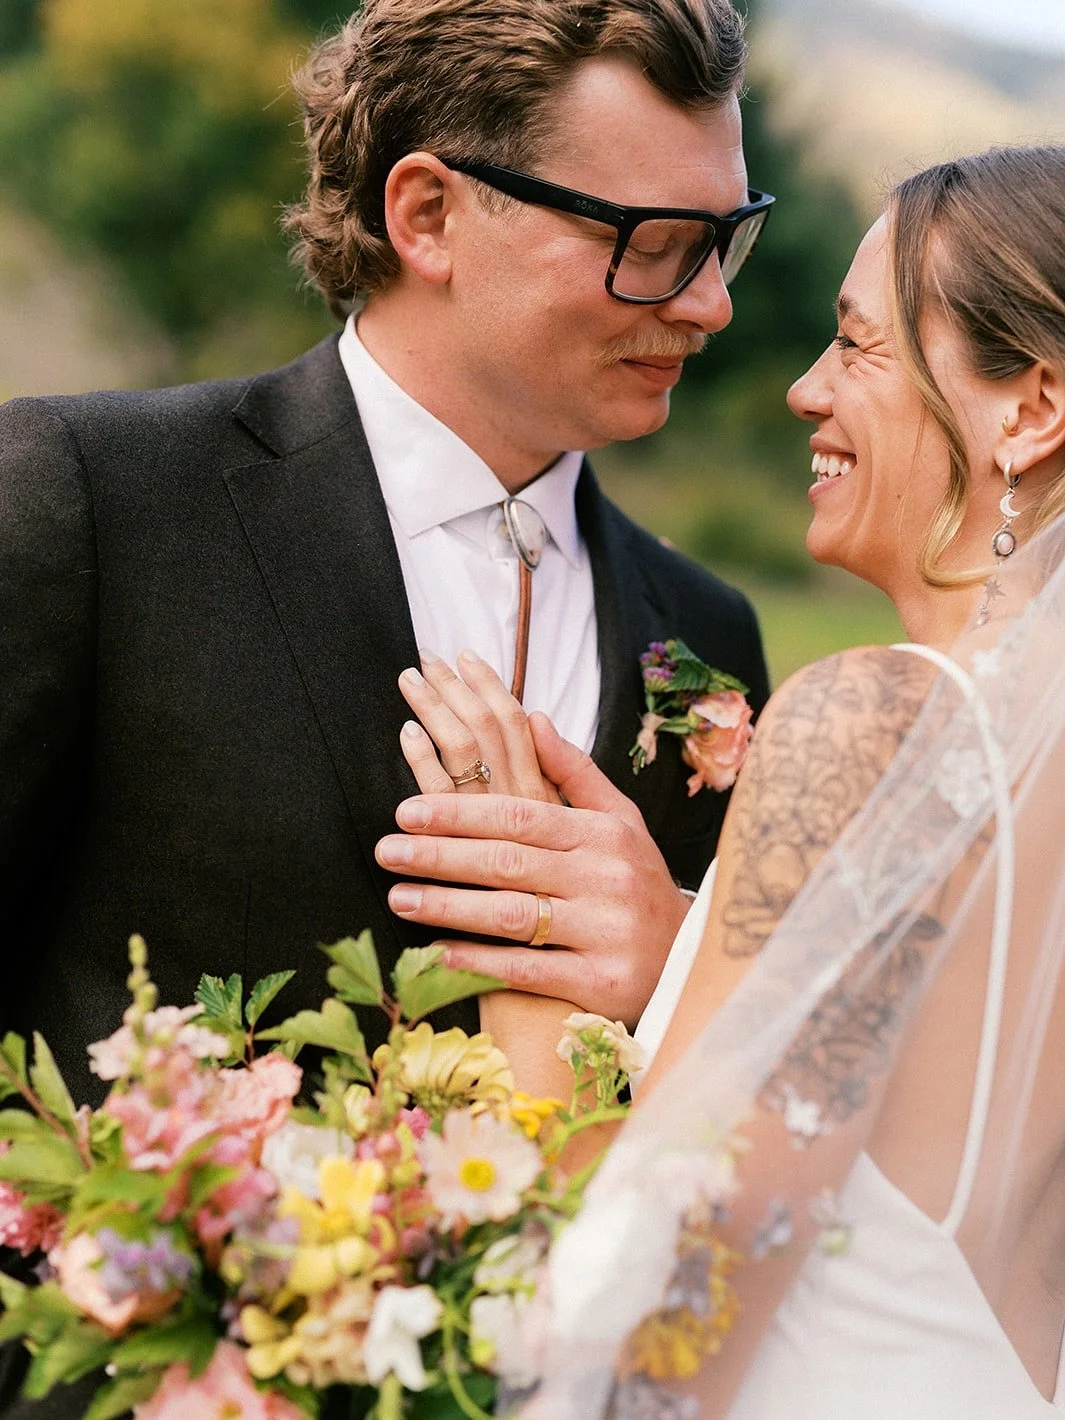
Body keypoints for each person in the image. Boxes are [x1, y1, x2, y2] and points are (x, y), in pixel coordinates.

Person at [0, 3, 778, 1413]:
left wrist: (674, 957)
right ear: (427, 213)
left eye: (727, 238)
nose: (710, 302)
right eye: (653, 241)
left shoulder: (710, 639)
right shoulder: (92, 504)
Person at [383, 145, 1065, 1414]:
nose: (807, 387)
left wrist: (525, 964)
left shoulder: (870, 723)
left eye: (857, 346)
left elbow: (652, 1315)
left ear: (1029, 410)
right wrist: (694, 950)